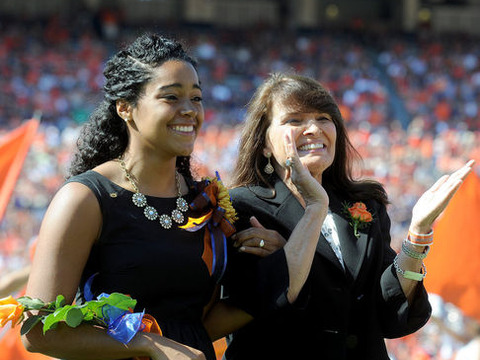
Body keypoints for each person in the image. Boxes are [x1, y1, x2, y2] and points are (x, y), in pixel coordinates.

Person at [212, 72, 475, 360]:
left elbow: (389, 315)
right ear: (264, 143)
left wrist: (417, 235)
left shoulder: (366, 205)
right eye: (295, 121)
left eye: (324, 118)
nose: (314, 128)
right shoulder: (241, 208)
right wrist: (285, 263)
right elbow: (255, 306)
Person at [21, 33, 234, 360]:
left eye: (196, 97)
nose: (189, 110)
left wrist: (272, 257)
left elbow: (200, 320)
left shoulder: (205, 201)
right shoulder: (84, 199)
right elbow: (38, 331)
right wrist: (146, 344)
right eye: (171, 97)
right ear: (125, 108)